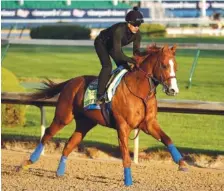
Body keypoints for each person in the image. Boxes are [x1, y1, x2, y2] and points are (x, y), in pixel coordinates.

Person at [94, 6, 147, 105]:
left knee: (126, 68)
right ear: (128, 23)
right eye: (135, 24)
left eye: (139, 24)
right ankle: (99, 95)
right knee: (107, 66)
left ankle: (121, 92)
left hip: (113, 47)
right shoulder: (119, 30)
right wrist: (132, 61)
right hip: (101, 43)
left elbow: (136, 53)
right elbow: (118, 54)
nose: (137, 27)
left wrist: (146, 55)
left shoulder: (137, 34)